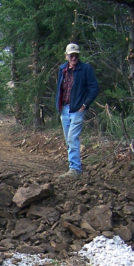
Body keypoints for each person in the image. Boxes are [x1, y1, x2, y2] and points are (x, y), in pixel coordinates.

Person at [55, 43, 99, 179]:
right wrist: (58, 105)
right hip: (64, 109)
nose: (74, 58)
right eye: (71, 55)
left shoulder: (85, 69)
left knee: (72, 138)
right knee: (68, 140)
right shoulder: (62, 69)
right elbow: (60, 88)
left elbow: (94, 88)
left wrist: (85, 104)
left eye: (76, 55)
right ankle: (73, 166)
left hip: (77, 109)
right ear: (66, 56)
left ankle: (75, 169)